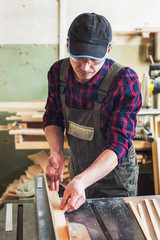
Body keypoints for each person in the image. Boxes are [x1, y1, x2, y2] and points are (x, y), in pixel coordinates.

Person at [43, 12, 142, 213]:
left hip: (116, 179)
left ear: (109, 49)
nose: (85, 68)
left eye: (94, 60)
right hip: (79, 171)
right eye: (78, 58)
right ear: (68, 45)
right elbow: (53, 116)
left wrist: (81, 180)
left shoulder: (124, 81)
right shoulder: (57, 73)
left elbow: (119, 143)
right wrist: (57, 151)